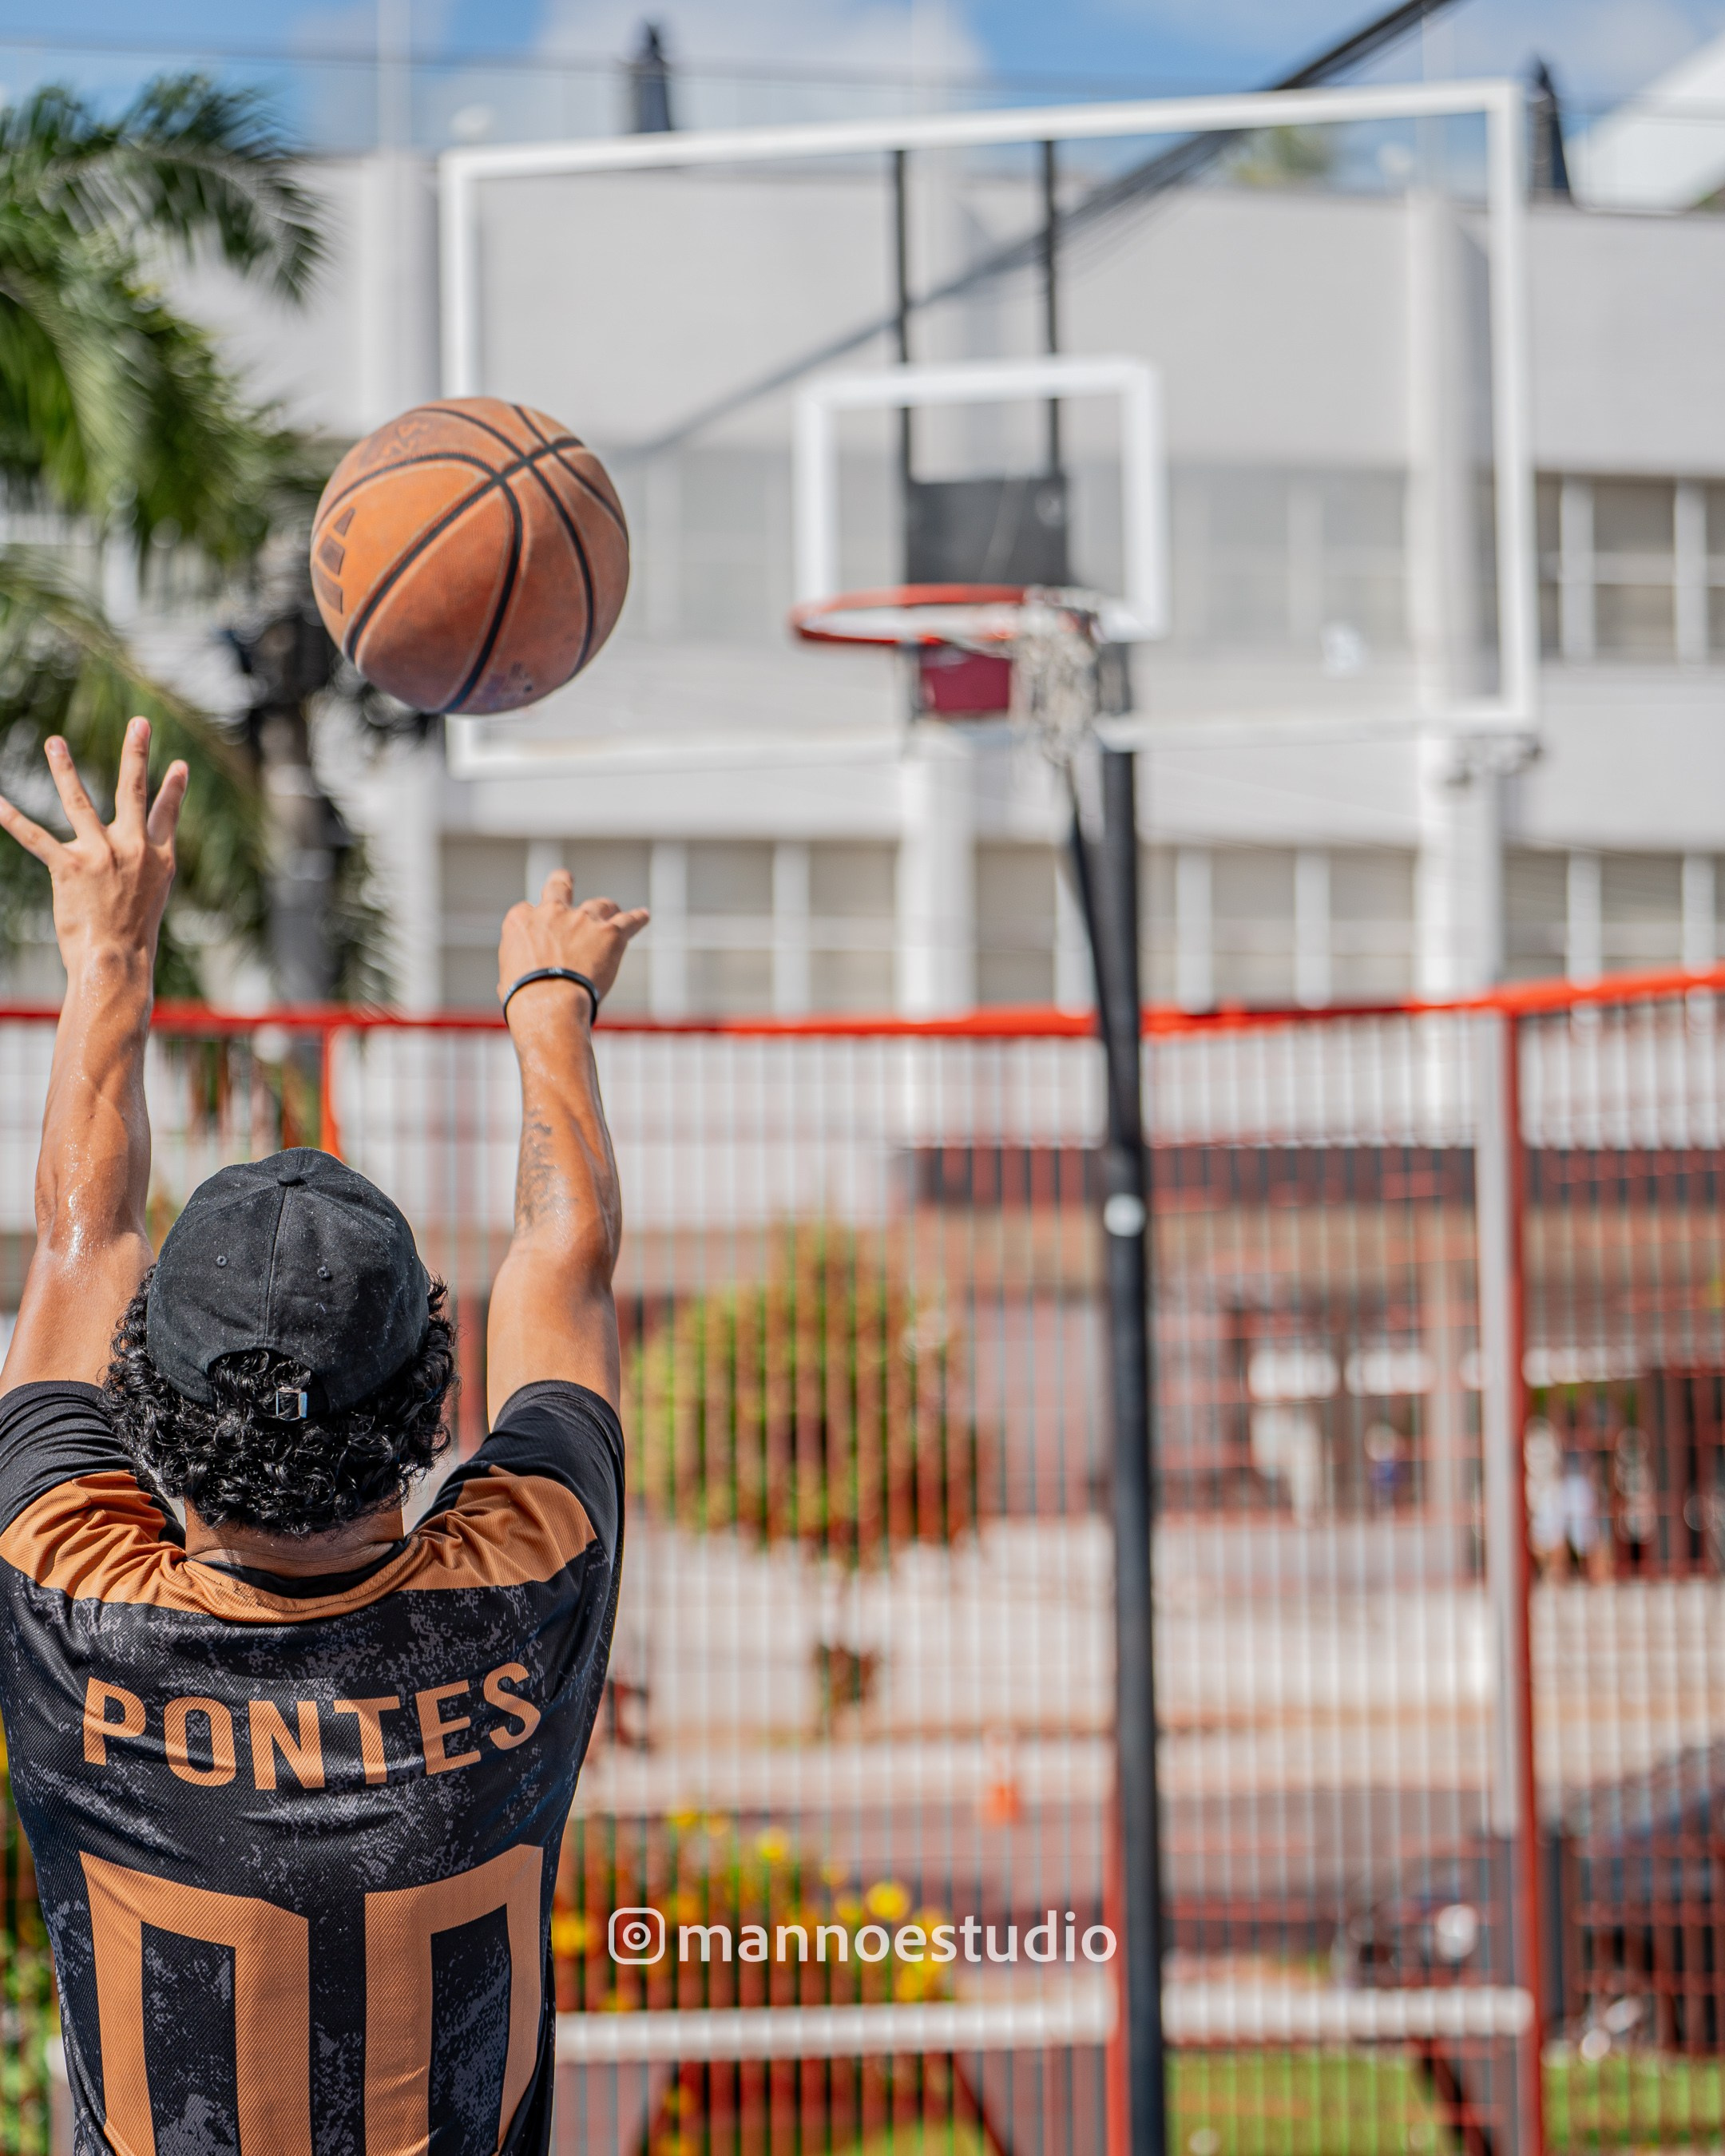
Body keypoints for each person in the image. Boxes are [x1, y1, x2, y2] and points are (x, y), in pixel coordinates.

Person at [0, 719, 647, 2154]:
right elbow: (568, 1263)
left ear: (142, 1405)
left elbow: (77, 1236)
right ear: (433, 1395)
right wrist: (548, 1002)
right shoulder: (522, 1587)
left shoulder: (67, 1593)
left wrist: (109, 950)